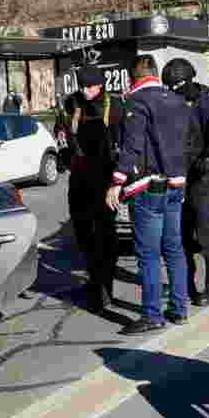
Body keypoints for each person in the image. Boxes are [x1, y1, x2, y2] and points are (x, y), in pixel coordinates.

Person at [106, 55, 199, 335]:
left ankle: (152, 314)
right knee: (174, 249)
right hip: (175, 184)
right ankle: (180, 309)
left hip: (148, 187)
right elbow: (191, 141)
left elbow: (132, 145)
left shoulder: (137, 102)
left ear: (132, 78)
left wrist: (116, 181)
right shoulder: (177, 101)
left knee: (148, 254)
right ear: (156, 74)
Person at [162, 58, 209, 307]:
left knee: (206, 236)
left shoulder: (206, 105)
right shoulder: (169, 104)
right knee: (179, 238)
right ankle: (184, 287)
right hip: (175, 178)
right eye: (168, 86)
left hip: (201, 178)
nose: (173, 91)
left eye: (177, 85)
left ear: (189, 80)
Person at [64, 65, 124, 312]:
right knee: (83, 232)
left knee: (104, 235)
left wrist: (118, 180)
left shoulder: (115, 106)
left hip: (104, 177)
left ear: (100, 84)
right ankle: (94, 277)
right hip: (79, 177)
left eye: (90, 86)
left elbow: (125, 142)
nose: (85, 90)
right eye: (82, 85)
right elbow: (66, 133)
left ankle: (104, 287)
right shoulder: (72, 103)